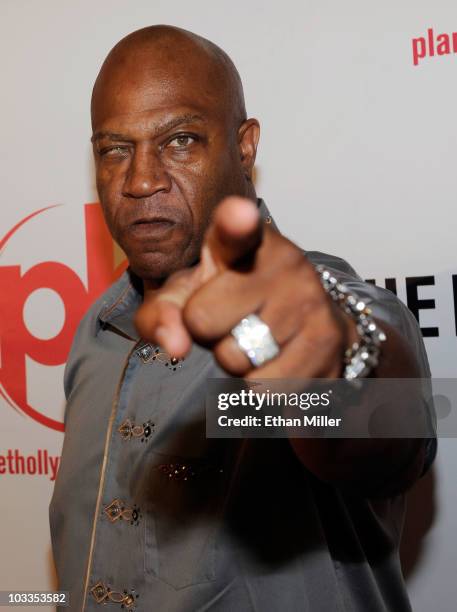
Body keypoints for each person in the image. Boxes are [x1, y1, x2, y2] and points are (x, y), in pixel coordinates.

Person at [50, 25, 435, 611]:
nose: (141, 180)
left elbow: (388, 427)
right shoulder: (94, 335)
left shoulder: (322, 304)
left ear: (245, 145)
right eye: (115, 149)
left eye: (179, 141)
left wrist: (336, 362)